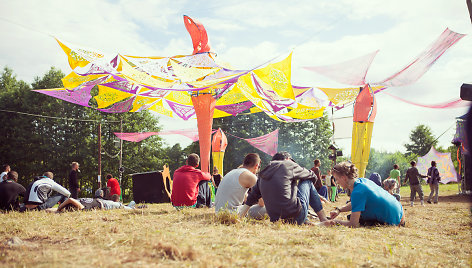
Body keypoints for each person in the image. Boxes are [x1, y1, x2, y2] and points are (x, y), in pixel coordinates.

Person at [242, 152, 332, 226]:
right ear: (288, 159)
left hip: (276, 220)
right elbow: (312, 175)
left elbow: (251, 197)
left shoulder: (264, 172)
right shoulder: (288, 164)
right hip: (296, 216)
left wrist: (239, 217)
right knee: (307, 181)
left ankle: (306, 221)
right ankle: (322, 218)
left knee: (291, 191)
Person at [330, 162, 404, 227]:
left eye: (336, 179)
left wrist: (333, 222)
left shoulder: (357, 192)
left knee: (354, 218)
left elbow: (353, 224)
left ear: (343, 178)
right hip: (400, 213)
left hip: (394, 222)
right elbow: (356, 203)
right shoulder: (363, 181)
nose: (337, 182)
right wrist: (339, 210)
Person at [214, 153, 263, 217]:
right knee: (268, 209)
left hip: (219, 212)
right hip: (233, 213)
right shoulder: (251, 176)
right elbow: (262, 203)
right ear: (256, 166)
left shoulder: (233, 172)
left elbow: (245, 199)